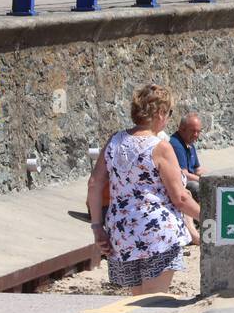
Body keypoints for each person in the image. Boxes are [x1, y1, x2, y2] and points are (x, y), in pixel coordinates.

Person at [85, 84, 199, 295]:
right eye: (169, 113)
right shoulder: (160, 147)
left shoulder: (114, 141)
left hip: (122, 235)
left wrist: (96, 227)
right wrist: (211, 216)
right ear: (160, 113)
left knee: (137, 302)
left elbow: (94, 184)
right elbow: (180, 197)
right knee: (154, 302)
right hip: (157, 234)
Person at [169, 112, 206, 246]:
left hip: (187, 180)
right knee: (197, 188)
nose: (196, 135)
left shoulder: (189, 143)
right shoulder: (176, 144)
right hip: (180, 183)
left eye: (198, 132)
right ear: (182, 129)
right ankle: (203, 223)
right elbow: (183, 172)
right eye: (193, 131)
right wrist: (202, 180)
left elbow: (197, 169)